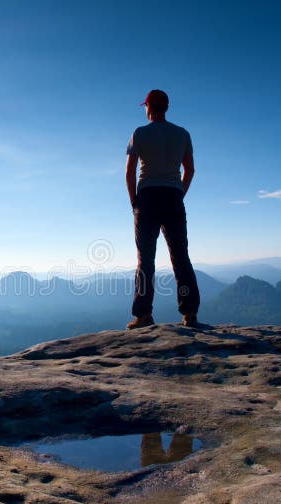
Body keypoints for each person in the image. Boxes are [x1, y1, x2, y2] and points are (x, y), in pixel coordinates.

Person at [125, 89, 200, 329]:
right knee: (180, 257)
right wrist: (179, 192)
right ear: (166, 108)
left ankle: (143, 314)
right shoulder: (182, 134)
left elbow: (130, 171)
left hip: (147, 197)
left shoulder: (140, 133)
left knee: (145, 260)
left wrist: (133, 200)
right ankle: (189, 313)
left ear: (148, 107)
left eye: (145, 106)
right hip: (173, 197)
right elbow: (189, 170)